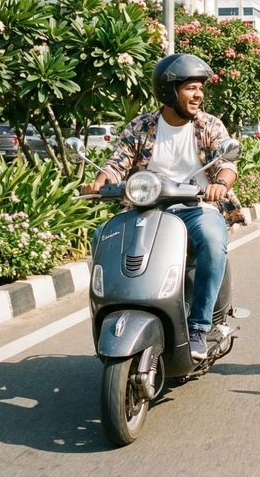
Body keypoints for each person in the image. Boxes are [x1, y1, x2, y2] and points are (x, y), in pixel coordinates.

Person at [81, 53, 243, 360]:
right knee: (102, 234)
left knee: (211, 240)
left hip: (195, 207)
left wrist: (219, 183)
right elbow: (118, 161)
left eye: (200, 88)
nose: (199, 95)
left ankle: (198, 327)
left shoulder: (209, 125)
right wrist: (100, 181)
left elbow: (227, 164)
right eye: (191, 88)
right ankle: (113, 312)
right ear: (169, 91)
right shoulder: (142, 126)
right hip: (148, 208)